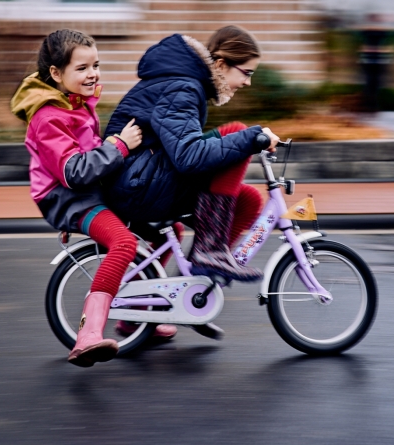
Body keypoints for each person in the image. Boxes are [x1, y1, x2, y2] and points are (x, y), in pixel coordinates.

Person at [10, 29, 175, 368]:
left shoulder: (78, 103)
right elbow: (73, 171)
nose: (92, 74)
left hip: (90, 190)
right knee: (124, 244)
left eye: (95, 65)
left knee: (163, 230)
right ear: (56, 74)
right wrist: (119, 145)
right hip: (67, 197)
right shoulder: (48, 116)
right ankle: (87, 335)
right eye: (82, 68)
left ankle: (136, 314)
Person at [103, 25, 280, 289]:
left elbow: (183, 148)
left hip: (142, 179)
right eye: (246, 73)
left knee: (248, 199)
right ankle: (209, 253)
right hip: (134, 185)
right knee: (239, 133)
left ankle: (186, 292)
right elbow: (188, 157)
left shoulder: (186, 84)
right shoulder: (182, 88)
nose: (248, 82)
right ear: (221, 64)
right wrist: (250, 139)